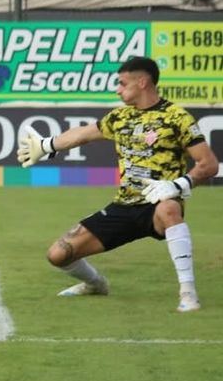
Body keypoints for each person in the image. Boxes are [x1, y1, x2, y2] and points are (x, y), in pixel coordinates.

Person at [18, 56, 219, 313]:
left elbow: (209, 164)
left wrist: (178, 186)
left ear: (143, 82)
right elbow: (81, 134)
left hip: (159, 204)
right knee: (59, 254)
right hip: (123, 206)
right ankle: (96, 284)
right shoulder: (119, 117)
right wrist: (46, 146)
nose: (118, 89)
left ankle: (188, 293)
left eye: (123, 83)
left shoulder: (177, 118)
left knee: (170, 209)